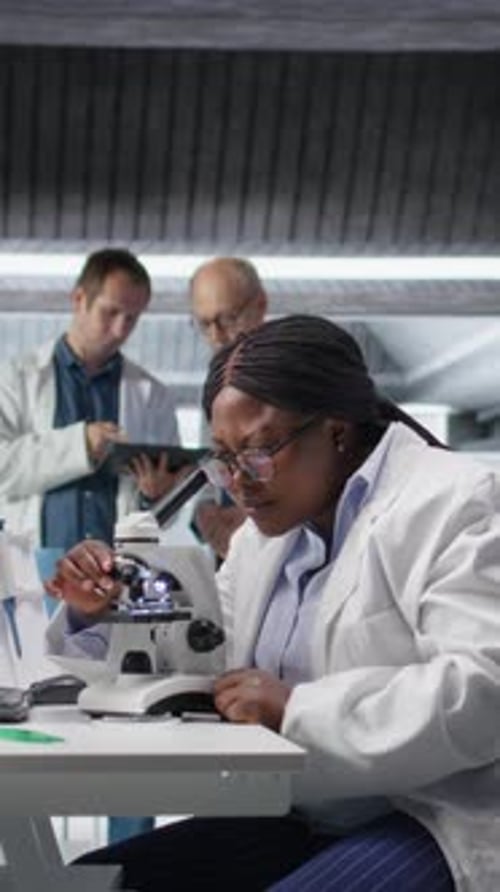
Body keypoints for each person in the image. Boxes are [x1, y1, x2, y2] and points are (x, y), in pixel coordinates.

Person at [45, 314, 500, 891]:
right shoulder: (267, 534)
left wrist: (297, 712)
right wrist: (98, 611)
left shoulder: (455, 500)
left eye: (258, 452)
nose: (237, 481)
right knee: (89, 882)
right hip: (307, 811)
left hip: (432, 815)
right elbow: (204, 658)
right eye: (223, 458)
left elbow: (483, 691)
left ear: (336, 431)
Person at [0, 246, 184, 843]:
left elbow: (164, 504)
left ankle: (135, 860)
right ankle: (37, 862)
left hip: (118, 577)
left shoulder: (150, 393)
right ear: (78, 299)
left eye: (134, 317)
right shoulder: (14, 378)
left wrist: (158, 493)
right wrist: (81, 443)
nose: (121, 327)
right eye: (110, 311)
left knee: (128, 719)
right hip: (37, 568)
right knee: (34, 725)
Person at [189, 256, 267, 558]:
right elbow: (209, 463)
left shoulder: (292, 375)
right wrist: (205, 515)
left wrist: (252, 518)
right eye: (204, 324)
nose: (217, 336)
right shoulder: (215, 381)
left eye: (228, 319)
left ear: (260, 304)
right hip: (225, 554)